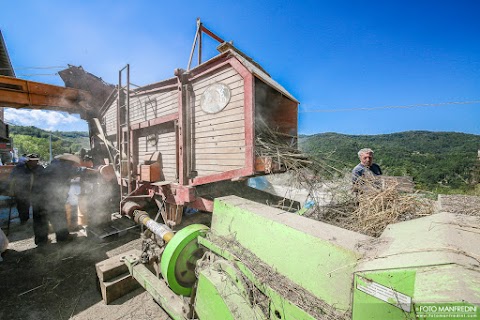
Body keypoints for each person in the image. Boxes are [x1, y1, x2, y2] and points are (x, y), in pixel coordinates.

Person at [31, 153, 97, 245]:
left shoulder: (53, 165)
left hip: (36, 195)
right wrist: (99, 171)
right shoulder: (64, 167)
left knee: (40, 219)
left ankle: (41, 240)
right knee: (58, 216)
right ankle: (63, 238)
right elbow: (83, 171)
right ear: (69, 161)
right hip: (51, 197)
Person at [9, 153, 44, 224]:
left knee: (37, 207)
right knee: (22, 206)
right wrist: (11, 190)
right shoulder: (19, 167)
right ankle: (24, 221)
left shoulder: (40, 168)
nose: (35, 162)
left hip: (36, 190)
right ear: (28, 161)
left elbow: (44, 179)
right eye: (32, 161)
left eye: (36, 161)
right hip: (21, 190)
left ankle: (37, 221)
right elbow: (12, 178)